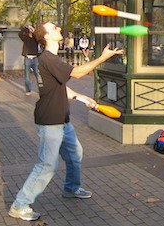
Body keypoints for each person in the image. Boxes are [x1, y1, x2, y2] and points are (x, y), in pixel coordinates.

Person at [8, 22, 124, 221]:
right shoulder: (47, 58)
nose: (58, 29)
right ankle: (20, 204)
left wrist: (81, 97)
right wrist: (102, 58)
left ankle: (71, 188)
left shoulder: (50, 59)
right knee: (47, 165)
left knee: (75, 153)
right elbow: (78, 73)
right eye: (53, 29)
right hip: (50, 120)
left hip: (62, 119)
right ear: (46, 37)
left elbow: (59, 87)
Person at [19, 25, 40, 96]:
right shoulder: (25, 38)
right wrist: (25, 27)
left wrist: (34, 31)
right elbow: (20, 34)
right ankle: (28, 90)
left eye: (32, 28)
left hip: (35, 58)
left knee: (38, 74)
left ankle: (41, 89)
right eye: (29, 29)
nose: (30, 30)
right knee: (27, 76)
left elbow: (39, 37)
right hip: (27, 58)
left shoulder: (35, 38)